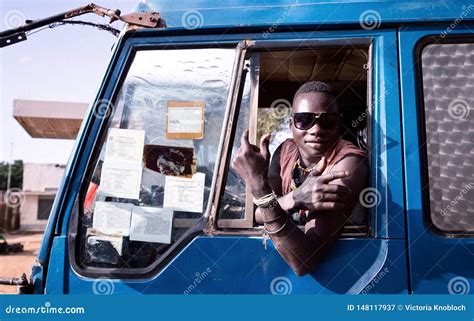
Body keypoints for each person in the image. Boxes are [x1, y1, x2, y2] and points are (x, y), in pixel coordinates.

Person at [231, 81, 368, 276]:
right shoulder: (285, 151)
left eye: (328, 121)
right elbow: (258, 214)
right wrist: (296, 197)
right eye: (304, 120)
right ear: (291, 124)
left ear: (339, 123)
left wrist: (258, 184)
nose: (316, 130)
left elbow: (303, 261)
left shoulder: (348, 163)